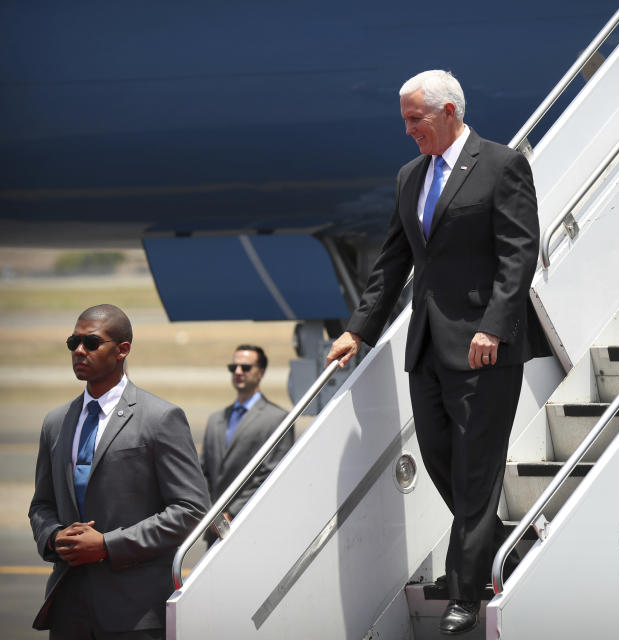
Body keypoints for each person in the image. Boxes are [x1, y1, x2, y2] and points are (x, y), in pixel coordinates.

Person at [325, 69, 548, 634]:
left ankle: (467, 588)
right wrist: (360, 328)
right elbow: (393, 262)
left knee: (477, 468)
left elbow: (518, 255)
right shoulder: (410, 176)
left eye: (414, 119)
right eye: (404, 119)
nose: (407, 131)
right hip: (427, 344)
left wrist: (495, 327)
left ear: (449, 111)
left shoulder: (501, 165)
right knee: (440, 459)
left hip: (484, 348)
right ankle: (502, 552)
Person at [28, 304, 210, 637]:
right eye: (74, 342)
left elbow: (191, 510)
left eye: (91, 343)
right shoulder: (55, 422)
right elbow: (41, 505)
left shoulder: (160, 417)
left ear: (123, 350)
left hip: (135, 613)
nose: (79, 351)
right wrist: (54, 537)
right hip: (69, 609)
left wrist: (109, 545)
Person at [201, 345, 293, 543]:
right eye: (233, 368)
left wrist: (232, 513)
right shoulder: (215, 419)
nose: (238, 372)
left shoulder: (277, 418)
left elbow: (271, 473)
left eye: (245, 367)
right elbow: (203, 473)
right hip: (215, 530)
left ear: (261, 373)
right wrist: (211, 515)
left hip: (253, 527)